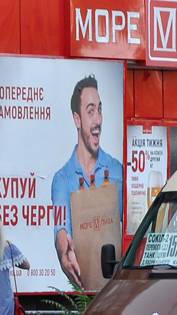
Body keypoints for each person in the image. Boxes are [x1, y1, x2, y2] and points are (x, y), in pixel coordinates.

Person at [50, 75, 123, 287]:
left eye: (100, 110)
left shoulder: (118, 170)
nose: (98, 119)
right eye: (91, 111)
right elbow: (61, 228)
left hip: (117, 287)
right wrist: (65, 253)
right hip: (83, 286)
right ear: (77, 119)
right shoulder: (62, 180)